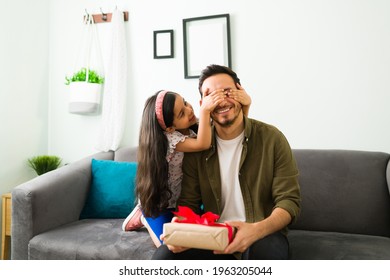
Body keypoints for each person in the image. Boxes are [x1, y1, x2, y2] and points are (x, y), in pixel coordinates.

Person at [152, 64, 301, 260]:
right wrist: (180, 232)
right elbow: (188, 204)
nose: (220, 100)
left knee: (264, 254)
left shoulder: (272, 138)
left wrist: (256, 229)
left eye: (226, 91)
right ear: (202, 104)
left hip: (262, 234)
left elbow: (289, 201)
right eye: (211, 95)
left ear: (241, 92)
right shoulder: (197, 148)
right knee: (164, 256)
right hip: (213, 236)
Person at [122, 88, 251, 247]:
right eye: (181, 114)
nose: (189, 110)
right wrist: (204, 110)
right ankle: (143, 217)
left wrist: (246, 106)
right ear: (169, 128)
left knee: (195, 237)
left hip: (182, 200)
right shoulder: (170, 138)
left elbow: (232, 130)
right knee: (168, 243)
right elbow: (202, 144)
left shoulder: (195, 127)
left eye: (185, 102)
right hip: (161, 204)